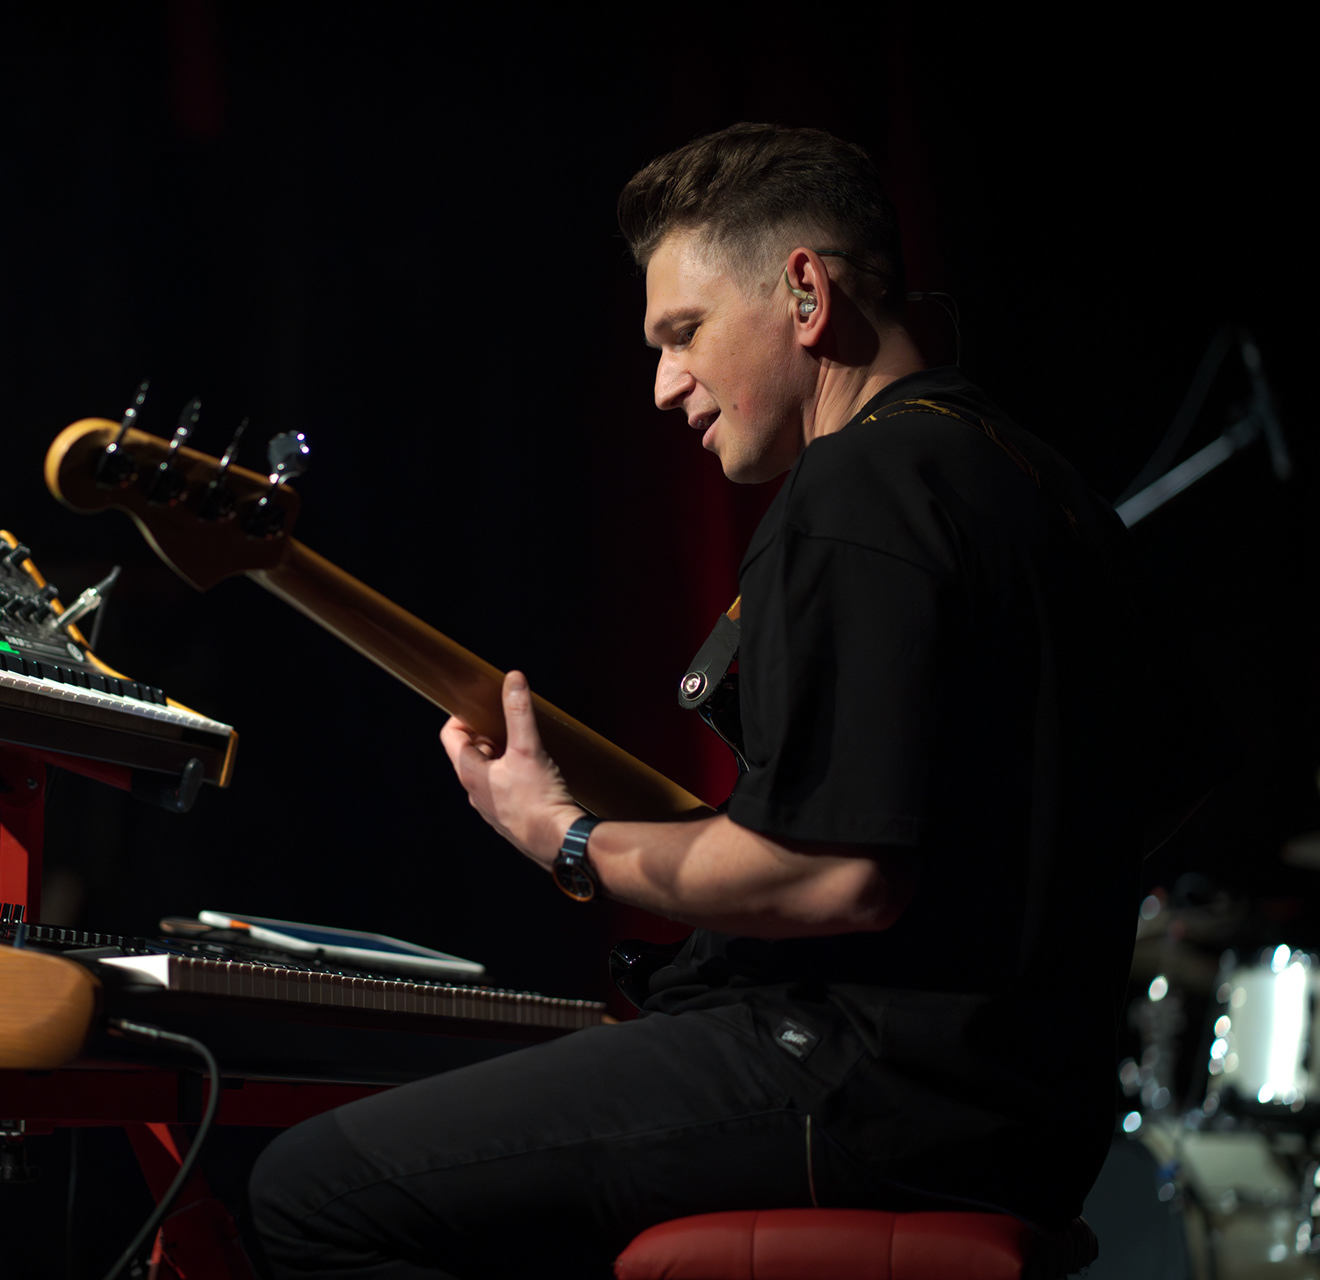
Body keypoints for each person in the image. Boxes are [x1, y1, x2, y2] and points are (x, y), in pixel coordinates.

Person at [249, 123, 1182, 1278]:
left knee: (310, 1190)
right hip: (1028, 1121)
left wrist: (562, 836)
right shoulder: (1041, 483)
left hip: (862, 1087)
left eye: (683, 332)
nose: (662, 385)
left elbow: (839, 874)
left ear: (805, 291)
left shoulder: (859, 484)